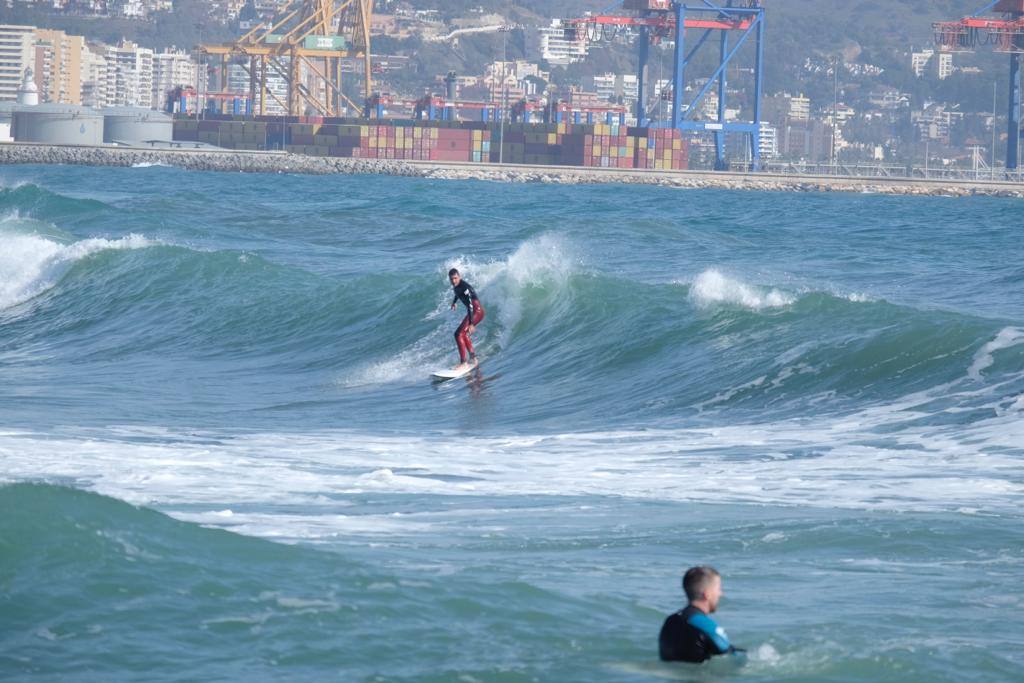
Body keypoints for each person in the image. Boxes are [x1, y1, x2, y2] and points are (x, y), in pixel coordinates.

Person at [658, 565, 744, 663]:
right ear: (707, 594)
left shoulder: (670, 621)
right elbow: (733, 656)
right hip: (697, 676)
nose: (721, 594)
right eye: (718, 589)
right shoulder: (704, 625)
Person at [448, 268, 485, 369]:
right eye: (451, 279)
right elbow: (457, 294)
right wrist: (454, 302)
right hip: (474, 311)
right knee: (463, 334)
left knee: (458, 334)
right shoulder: (456, 286)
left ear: (459, 277)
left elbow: (470, 306)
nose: (453, 281)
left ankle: (463, 362)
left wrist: (471, 323)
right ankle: (473, 358)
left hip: (476, 311)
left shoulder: (464, 287)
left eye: (455, 278)